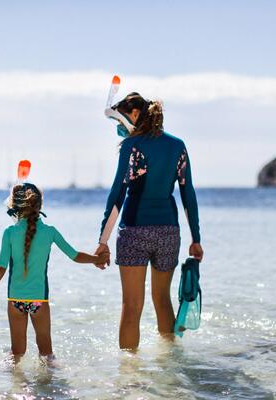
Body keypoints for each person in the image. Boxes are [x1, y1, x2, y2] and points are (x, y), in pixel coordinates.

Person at [95, 92, 204, 350]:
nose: (120, 128)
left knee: (131, 307)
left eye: (121, 122)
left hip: (134, 230)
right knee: (163, 301)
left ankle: (129, 378)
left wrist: (103, 240)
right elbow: (188, 195)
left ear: (134, 115)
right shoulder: (177, 145)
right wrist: (196, 239)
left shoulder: (131, 147)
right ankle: (170, 368)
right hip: (168, 232)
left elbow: (117, 195)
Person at [0, 183, 108, 362]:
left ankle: (15, 386)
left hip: (15, 301)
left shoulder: (10, 232)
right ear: (40, 205)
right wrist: (96, 259)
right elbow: (74, 256)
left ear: (14, 206)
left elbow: (0, 268)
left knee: (17, 354)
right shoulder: (49, 232)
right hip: (39, 301)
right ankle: (49, 387)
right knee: (47, 354)